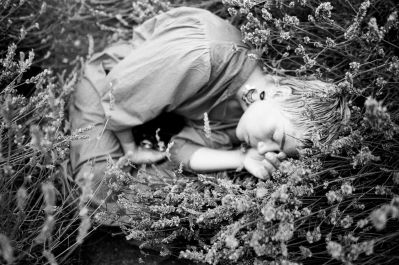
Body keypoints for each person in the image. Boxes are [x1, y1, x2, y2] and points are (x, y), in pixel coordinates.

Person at [69, 7, 348, 213]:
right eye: (276, 135)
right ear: (281, 92)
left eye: (276, 151)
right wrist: (130, 150)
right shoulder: (204, 57)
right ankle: (56, 157)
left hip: (144, 105)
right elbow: (116, 93)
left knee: (141, 201)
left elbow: (181, 150)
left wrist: (242, 158)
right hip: (105, 83)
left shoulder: (248, 114)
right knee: (100, 196)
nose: (265, 148)